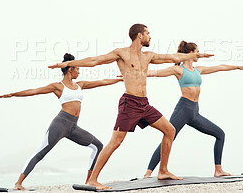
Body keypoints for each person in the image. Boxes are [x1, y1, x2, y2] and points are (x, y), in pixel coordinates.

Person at [48, 24, 213, 189]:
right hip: (129, 103)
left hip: (144, 104)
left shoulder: (148, 56)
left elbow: (170, 57)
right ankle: (93, 179)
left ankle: (163, 170)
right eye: (148, 33)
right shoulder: (122, 53)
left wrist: (198, 55)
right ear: (139, 35)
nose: (150, 36)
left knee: (169, 130)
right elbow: (94, 60)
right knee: (115, 142)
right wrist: (68, 63)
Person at [0, 53, 123, 190]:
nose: (79, 72)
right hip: (60, 124)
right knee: (41, 152)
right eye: (78, 69)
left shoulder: (80, 85)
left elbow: (102, 82)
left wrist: (120, 80)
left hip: (73, 127)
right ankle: (18, 183)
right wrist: (13, 94)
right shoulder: (57, 86)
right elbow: (34, 91)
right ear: (70, 69)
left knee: (98, 146)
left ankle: (89, 181)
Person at [144, 41, 243, 178]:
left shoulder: (198, 70)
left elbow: (219, 67)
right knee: (169, 138)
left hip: (194, 112)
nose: (199, 54)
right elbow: (155, 73)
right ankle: (148, 173)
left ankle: (218, 170)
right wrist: (131, 76)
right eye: (197, 51)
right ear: (190, 53)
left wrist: (237, 67)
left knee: (220, 134)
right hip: (183, 109)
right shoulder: (178, 69)